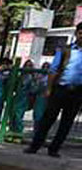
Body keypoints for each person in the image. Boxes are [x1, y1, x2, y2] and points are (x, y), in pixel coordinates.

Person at [26, 22, 82, 157]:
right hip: (60, 89)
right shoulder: (65, 50)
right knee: (48, 119)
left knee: (66, 123)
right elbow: (53, 70)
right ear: (76, 33)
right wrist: (49, 89)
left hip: (77, 92)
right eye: (81, 33)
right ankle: (35, 145)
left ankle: (54, 149)